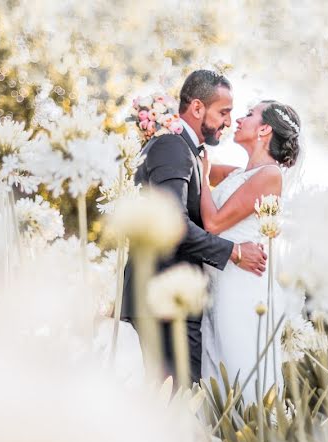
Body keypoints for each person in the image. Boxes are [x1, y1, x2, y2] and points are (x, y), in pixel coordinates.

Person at [120, 70, 268, 383]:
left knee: (176, 401)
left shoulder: (186, 150)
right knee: (177, 404)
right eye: (224, 112)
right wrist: (235, 252)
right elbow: (172, 224)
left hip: (168, 299)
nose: (228, 122)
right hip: (162, 299)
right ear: (198, 108)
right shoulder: (173, 147)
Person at [199, 100, 302, 404]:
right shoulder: (237, 175)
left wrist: (205, 178)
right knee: (218, 374)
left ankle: (255, 438)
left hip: (243, 290)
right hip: (221, 285)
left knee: (241, 371)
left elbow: (214, 222)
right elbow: (193, 159)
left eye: (248, 114)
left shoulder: (270, 175)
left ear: (265, 128)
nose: (239, 119)